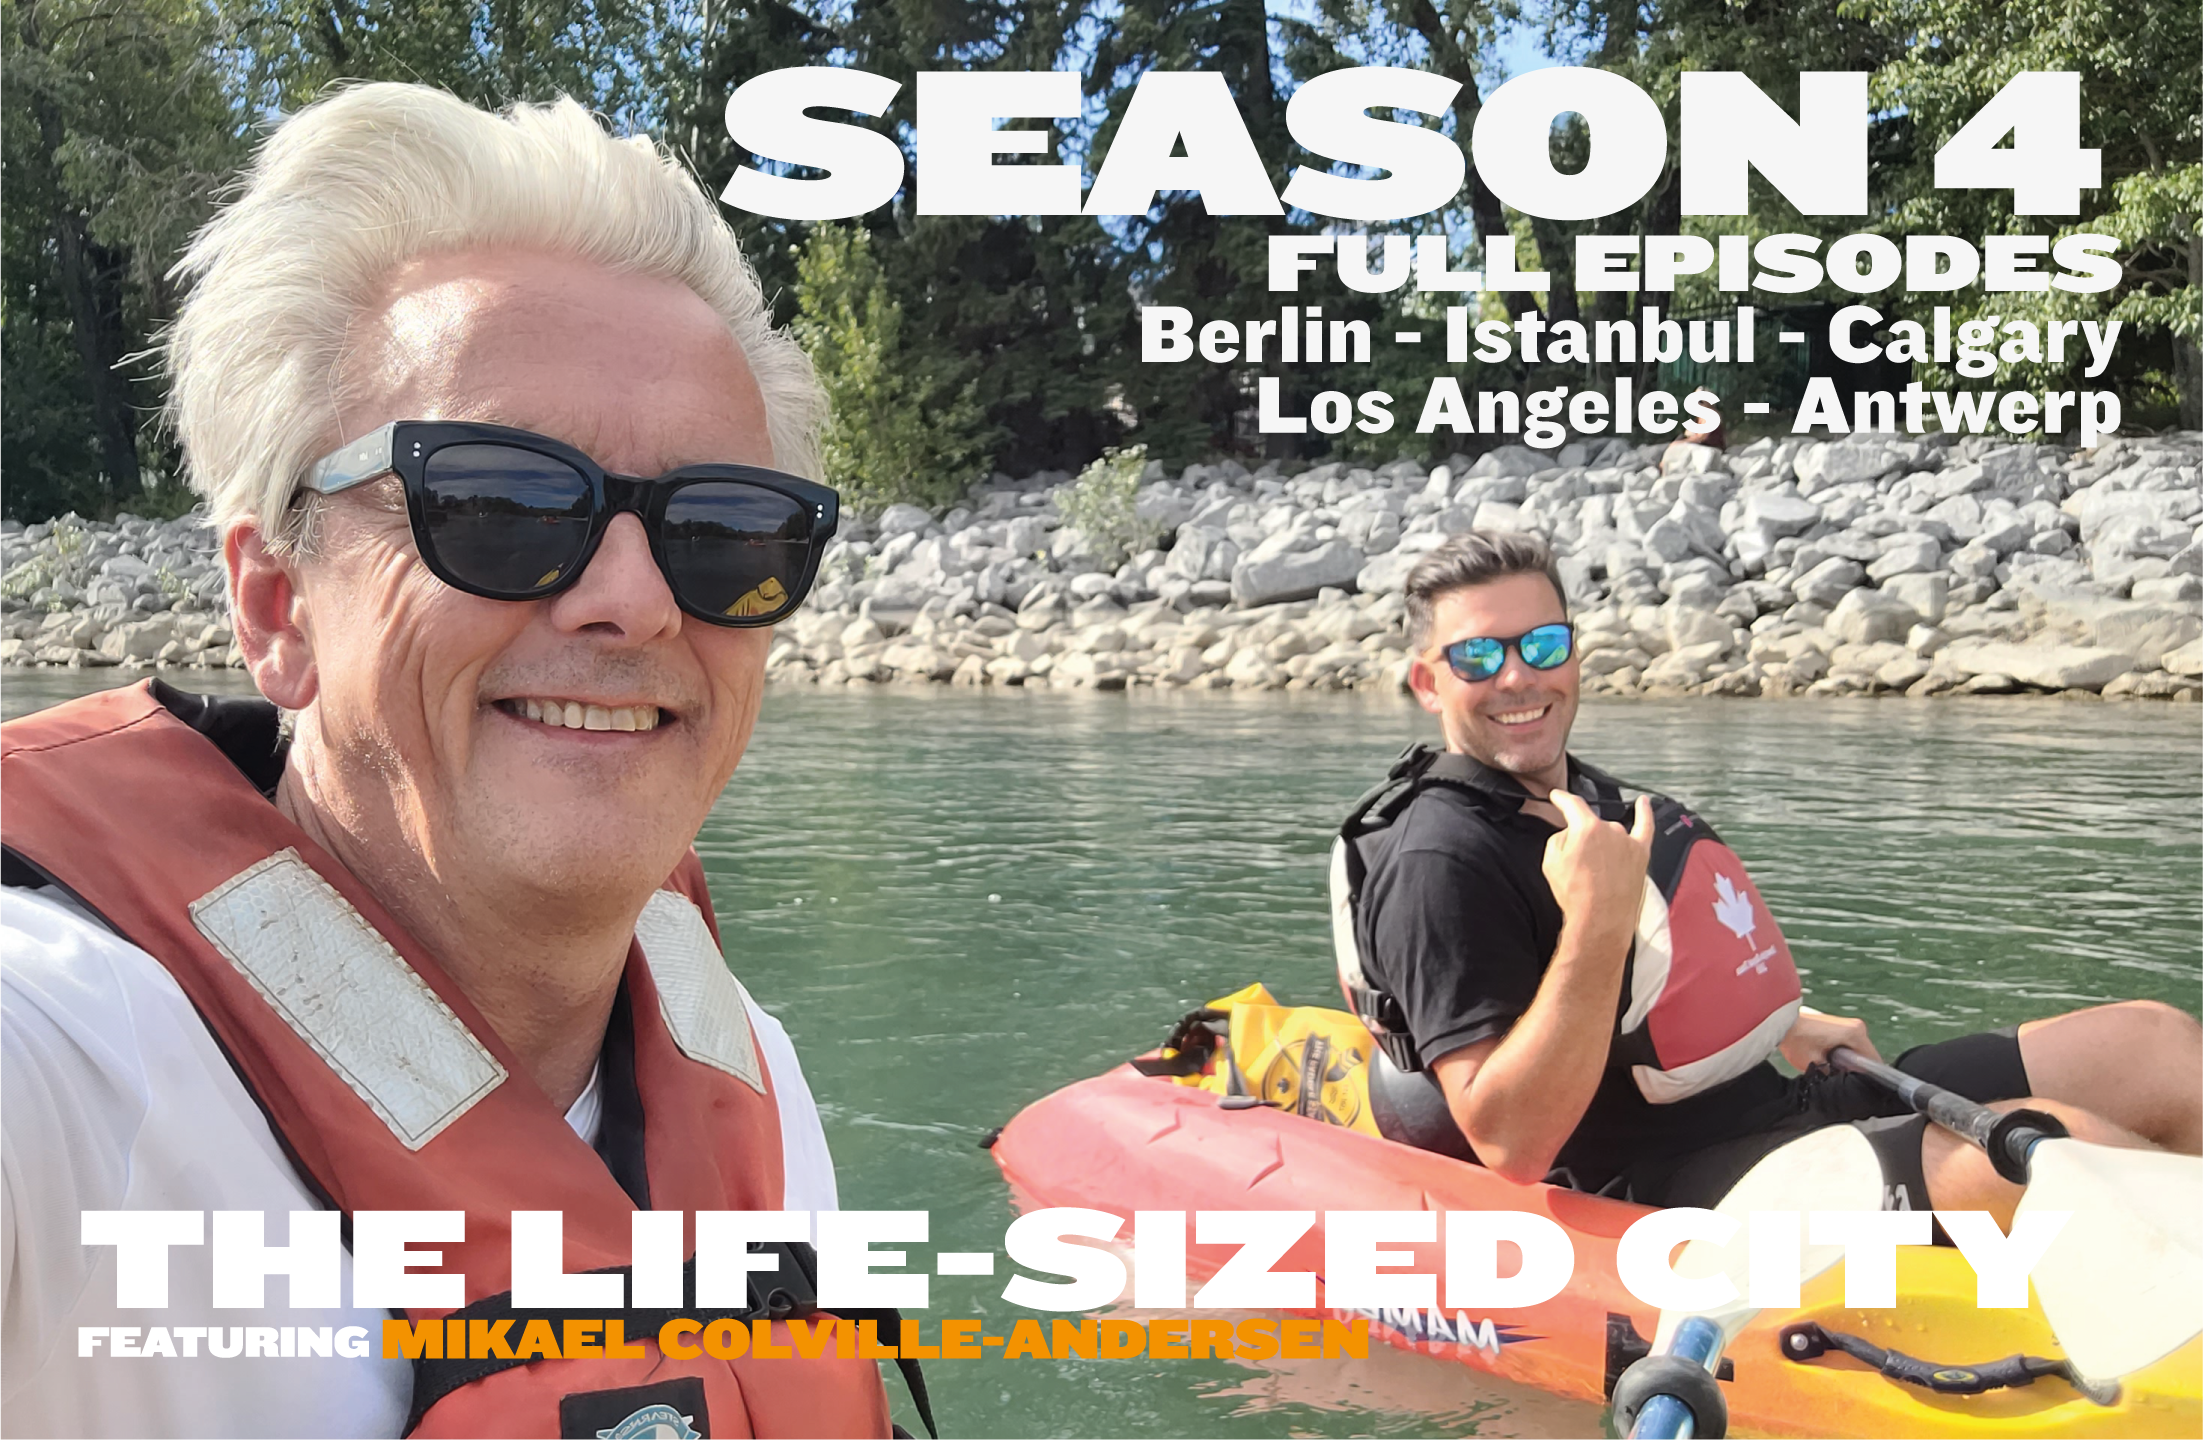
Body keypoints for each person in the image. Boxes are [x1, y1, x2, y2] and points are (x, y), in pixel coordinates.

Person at [0, 84, 900, 1438]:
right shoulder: (65, 1060)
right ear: (275, 608)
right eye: (499, 502)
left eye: (725, 532)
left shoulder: (749, 1075)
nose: (636, 603)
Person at [1336, 527, 2201, 1216]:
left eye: (1543, 643)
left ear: (1575, 652)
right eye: (1478, 657)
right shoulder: (1438, 859)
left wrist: (1782, 1021)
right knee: (2051, 1148)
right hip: (1660, 1187)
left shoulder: (1585, 794)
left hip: (1780, 1106)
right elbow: (1511, 1145)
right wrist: (1596, 928)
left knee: (2156, 1043)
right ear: (1426, 683)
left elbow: (1663, 980)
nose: (1518, 677)